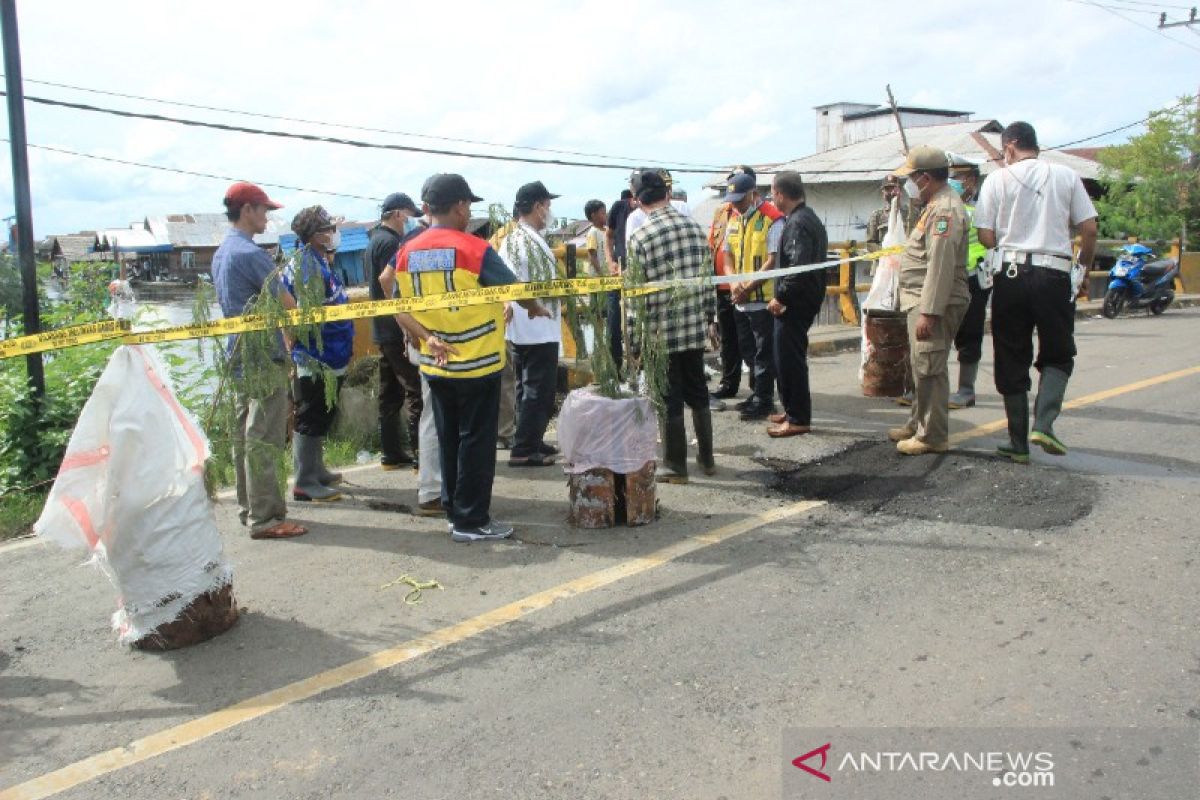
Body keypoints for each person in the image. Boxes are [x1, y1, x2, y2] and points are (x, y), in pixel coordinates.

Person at [384, 174, 551, 542]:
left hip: (436, 363)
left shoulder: (408, 251)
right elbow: (514, 289)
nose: (469, 212)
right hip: (478, 362)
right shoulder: (473, 249)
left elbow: (397, 306)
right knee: (476, 441)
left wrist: (427, 338)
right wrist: (535, 306)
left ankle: (453, 508)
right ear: (460, 206)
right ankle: (472, 520)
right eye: (468, 206)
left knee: (448, 437)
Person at [974, 121, 1098, 462]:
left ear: (1010, 146)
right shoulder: (1066, 175)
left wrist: (1008, 239)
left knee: (1011, 354)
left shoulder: (997, 179)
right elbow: (1088, 229)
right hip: (1055, 275)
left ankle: (1018, 444)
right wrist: (1083, 270)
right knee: (1058, 352)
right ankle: (1044, 424)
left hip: (1011, 275)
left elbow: (985, 235)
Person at [211, 182, 306, 539]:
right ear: (248, 210)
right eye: (265, 210)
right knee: (264, 436)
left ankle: (249, 507)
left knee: (244, 434)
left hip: (237, 353)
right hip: (264, 356)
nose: (267, 217)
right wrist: (296, 334)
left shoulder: (222, 253)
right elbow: (288, 305)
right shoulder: (251, 255)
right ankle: (266, 518)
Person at [627, 169, 716, 484]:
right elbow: (708, 282)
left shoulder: (640, 238)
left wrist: (635, 344)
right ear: (667, 193)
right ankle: (707, 459)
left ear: (638, 201)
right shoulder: (694, 228)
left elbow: (636, 298)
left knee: (669, 395)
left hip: (660, 333)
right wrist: (709, 319)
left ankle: (677, 466)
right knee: (699, 391)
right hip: (693, 327)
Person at [886, 145, 970, 455]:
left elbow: (940, 265)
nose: (907, 184)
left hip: (933, 301)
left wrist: (930, 313)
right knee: (922, 365)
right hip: (920, 299)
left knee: (931, 367)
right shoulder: (933, 205)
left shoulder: (945, 209)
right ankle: (916, 424)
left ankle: (932, 435)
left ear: (924, 178)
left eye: (910, 178)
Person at [283, 206, 355, 501]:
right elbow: (306, 317)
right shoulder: (307, 267)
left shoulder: (317, 261)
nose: (332, 233)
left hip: (331, 352)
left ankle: (316, 469)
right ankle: (304, 481)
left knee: (323, 414)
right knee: (311, 416)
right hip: (317, 357)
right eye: (327, 229)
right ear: (314, 236)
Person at [498, 181, 562, 468]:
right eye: (547, 206)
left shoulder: (522, 238)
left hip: (529, 327)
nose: (549, 211)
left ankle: (531, 439)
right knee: (538, 389)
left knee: (527, 388)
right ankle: (524, 449)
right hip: (535, 327)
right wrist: (510, 305)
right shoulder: (521, 240)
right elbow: (508, 281)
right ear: (538, 207)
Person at [766, 170, 829, 438]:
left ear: (780, 194)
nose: (772, 198)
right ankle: (791, 409)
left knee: (790, 360)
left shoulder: (798, 223)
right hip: (802, 298)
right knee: (784, 357)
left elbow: (798, 267)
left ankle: (798, 417)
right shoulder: (805, 217)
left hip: (796, 302)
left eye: (773, 193)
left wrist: (782, 298)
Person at [367, 192, 424, 469]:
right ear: (399, 214)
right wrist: (407, 326)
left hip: (380, 327)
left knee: (389, 394)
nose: (413, 219)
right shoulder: (392, 243)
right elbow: (391, 284)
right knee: (416, 390)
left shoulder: (374, 240)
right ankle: (421, 455)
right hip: (395, 327)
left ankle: (390, 453)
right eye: (411, 213)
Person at [724, 171, 784, 420]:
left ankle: (765, 400)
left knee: (763, 354)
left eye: (740, 199)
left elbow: (773, 260)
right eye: (733, 200)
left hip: (762, 299)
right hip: (741, 300)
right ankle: (757, 393)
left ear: (753, 194)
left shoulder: (772, 219)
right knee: (749, 352)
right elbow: (726, 254)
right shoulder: (734, 220)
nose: (736, 204)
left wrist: (747, 287)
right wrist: (733, 282)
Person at [708, 166, 755, 409]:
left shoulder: (754, 213)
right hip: (722, 285)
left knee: (750, 341)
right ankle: (729, 383)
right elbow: (713, 246)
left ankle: (759, 390)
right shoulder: (721, 212)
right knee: (728, 339)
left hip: (746, 287)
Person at [946, 160, 990, 409]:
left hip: (973, 278)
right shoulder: (945, 207)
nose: (952, 181)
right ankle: (925, 388)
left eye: (957, 177)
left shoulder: (982, 209)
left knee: (969, 333)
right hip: (948, 277)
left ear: (971, 180)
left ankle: (966, 389)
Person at [604, 189, 635, 370]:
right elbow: (608, 236)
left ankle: (640, 369)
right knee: (613, 323)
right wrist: (610, 262)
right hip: (618, 273)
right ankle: (615, 369)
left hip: (640, 277)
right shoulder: (619, 207)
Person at [865, 174, 922, 246]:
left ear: (900, 190)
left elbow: (919, 237)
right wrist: (886, 252)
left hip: (906, 255)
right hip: (885, 255)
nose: (891, 192)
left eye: (893, 188)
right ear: (883, 192)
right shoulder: (876, 215)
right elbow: (870, 243)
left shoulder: (911, 212)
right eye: (887, 189)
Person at [582, 200, 608, 276]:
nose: (605, 215)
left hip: (608, 273)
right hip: (598, 275)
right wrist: (600, 273)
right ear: (594, 216)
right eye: (603, 213)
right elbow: (592, 255)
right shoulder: (593, 232)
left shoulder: (607, 231)